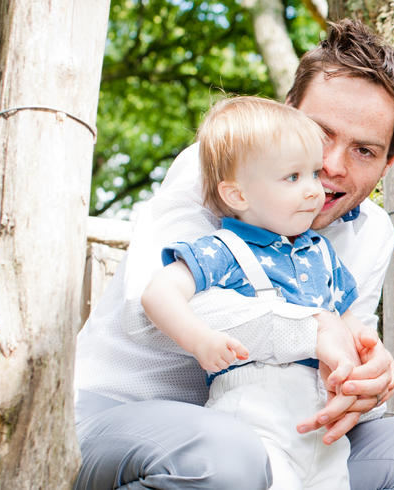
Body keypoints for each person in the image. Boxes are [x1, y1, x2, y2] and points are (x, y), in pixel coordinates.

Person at [74, 20, 394, 489]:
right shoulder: (217, 176)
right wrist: (311, 329)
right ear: (287, 111)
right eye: (320, 133)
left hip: (288, 440)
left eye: (364, 151)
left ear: (389, 162)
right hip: (123, 416)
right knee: (227, 455)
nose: (331, 166)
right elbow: (150, 307)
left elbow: (347, 338)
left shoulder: (372, 232)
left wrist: (367, 380)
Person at [140, 96, 366, 489]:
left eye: (314, 173)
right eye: (293, 178)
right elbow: (158, 294)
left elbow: (347, 324)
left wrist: (361, 359)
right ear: (238, 195)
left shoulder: (321, 254)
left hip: (322, 429)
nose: (315, 190)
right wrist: (200, 339)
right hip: (256, 419)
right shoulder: (223, 248)